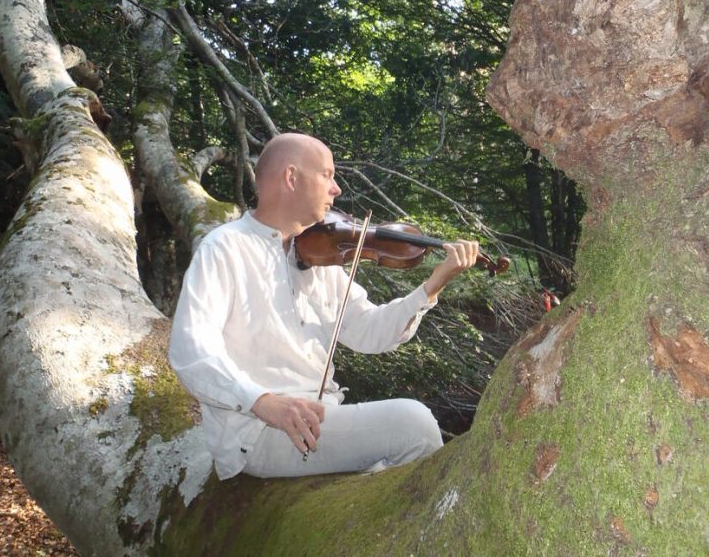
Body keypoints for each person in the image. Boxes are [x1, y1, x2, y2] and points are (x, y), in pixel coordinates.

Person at [168, 133, 481, 480]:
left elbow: (369, 332)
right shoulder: (225, 248)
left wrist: (432, 286)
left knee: (405, 434)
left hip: (319, 419)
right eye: (327, 175)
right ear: (291, 178)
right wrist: (263, 401)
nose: (337, 190)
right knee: (414, 423)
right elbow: (191, 350)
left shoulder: (320, 258)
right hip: (258, 430)